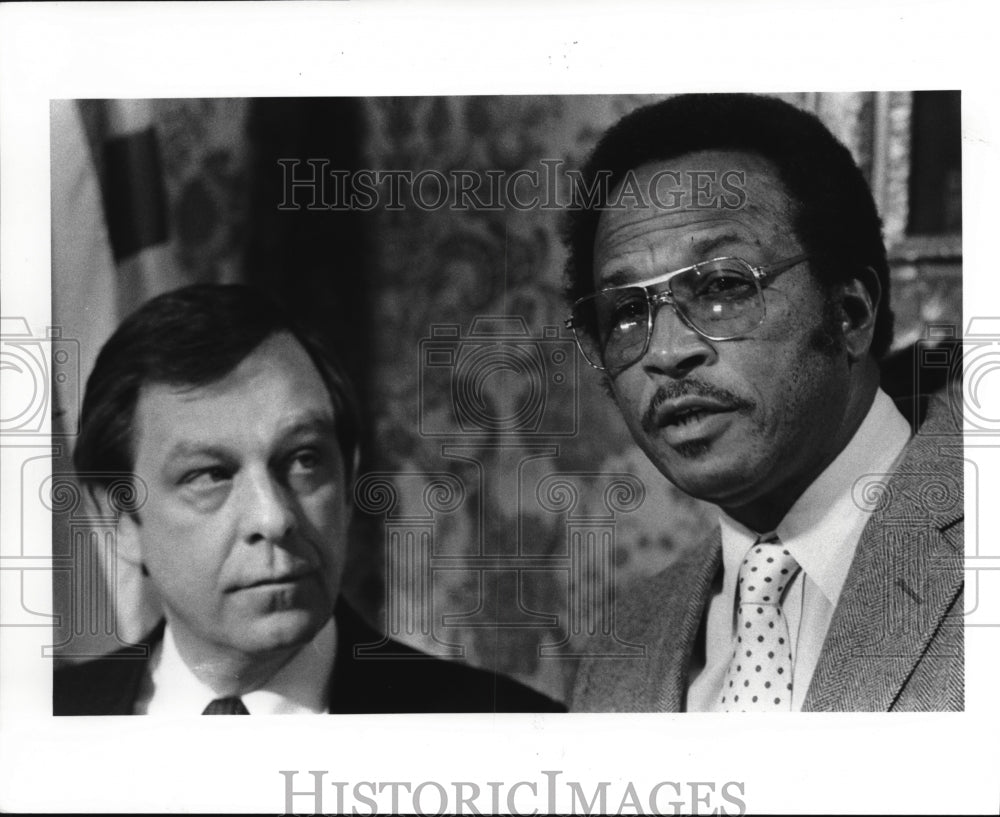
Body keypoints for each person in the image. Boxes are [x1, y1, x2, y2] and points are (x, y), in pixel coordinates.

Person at [563, 94, 963, 712]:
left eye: (723, 286)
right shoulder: (621, 649)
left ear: (851, 312)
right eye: (625, 313)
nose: (665, 353)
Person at [54, 284, 563, 715]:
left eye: (303, 460)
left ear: (347, 481)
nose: (274, 518)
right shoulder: (31, 735)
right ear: (119, 519)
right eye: (210, 474)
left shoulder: (510, 734)